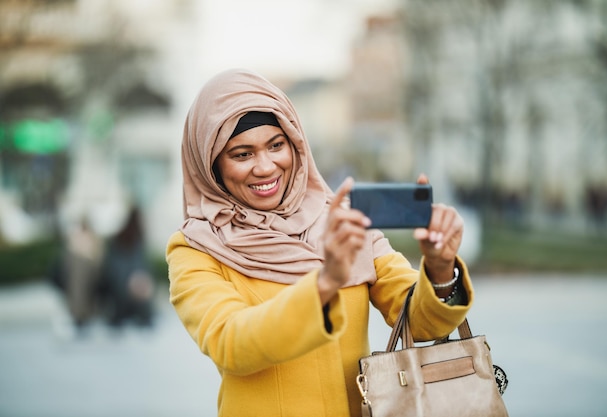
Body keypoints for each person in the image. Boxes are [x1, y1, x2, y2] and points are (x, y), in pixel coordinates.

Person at [166, 68, 474, 417]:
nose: (265, 167)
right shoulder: (196, 247)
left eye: (276, 145)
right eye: (242, 154)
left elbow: (420, 323)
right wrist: (325, 281)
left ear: (295, 145)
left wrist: (439, 266)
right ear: (211, 166)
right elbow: (231, 343)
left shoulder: (344, 222)